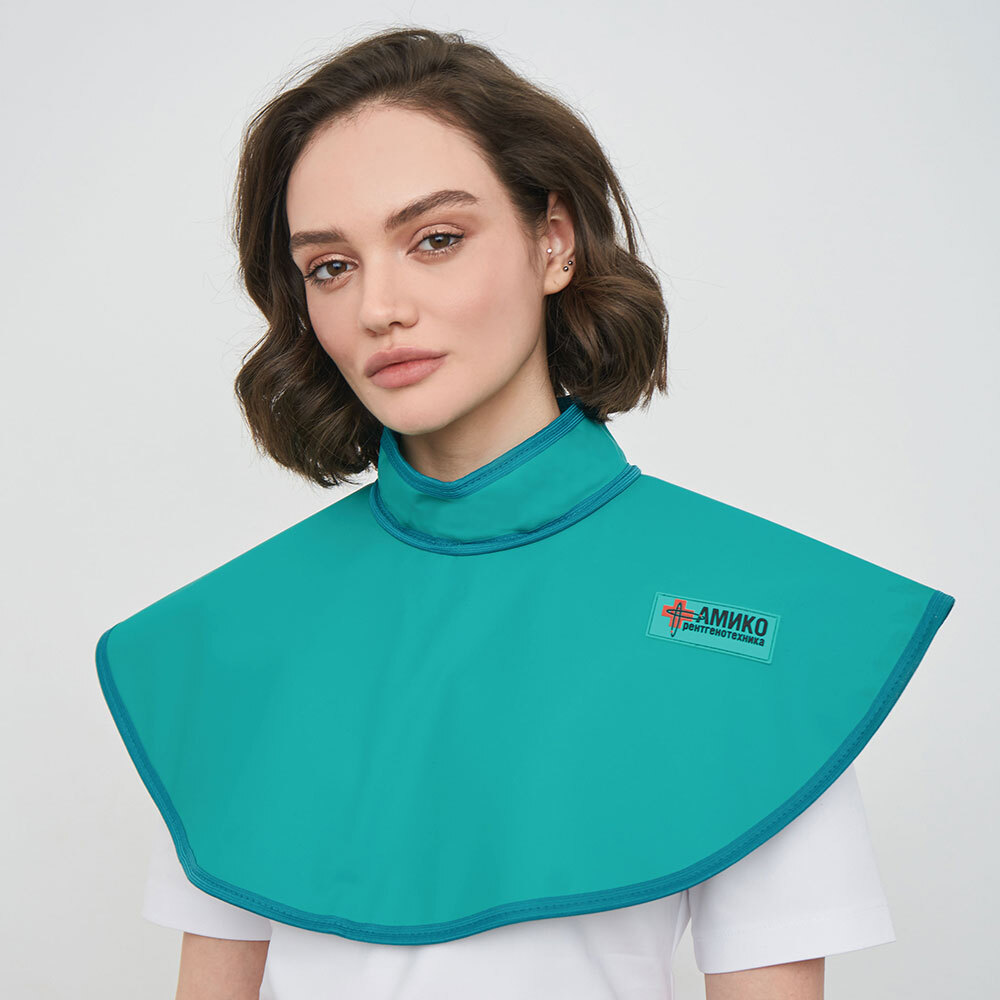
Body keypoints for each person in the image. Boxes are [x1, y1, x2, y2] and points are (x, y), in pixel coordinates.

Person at [95, 26, 954, 1000]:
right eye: (330, 265)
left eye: (436, 239)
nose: (379, 306)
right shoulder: (235, 637)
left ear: (554, 242)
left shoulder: (747, 622)